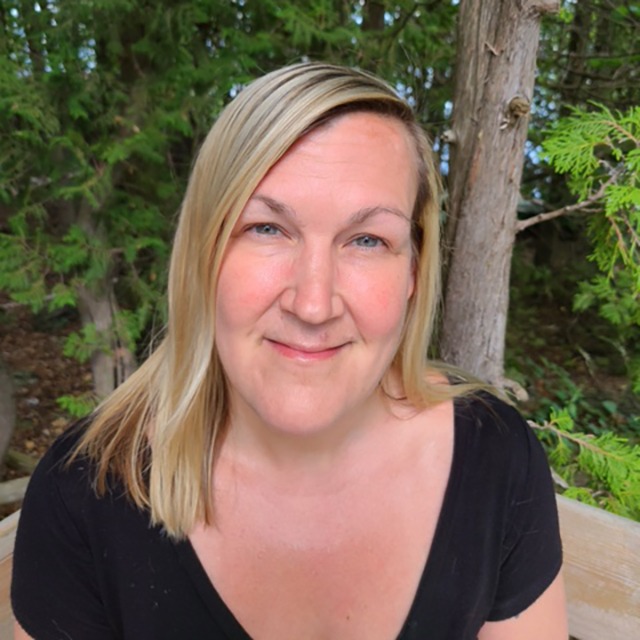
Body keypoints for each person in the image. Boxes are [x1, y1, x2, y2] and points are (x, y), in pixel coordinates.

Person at [11, 62, 567, 640]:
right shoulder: (88, 490)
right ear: (205, 252)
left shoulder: (494, 458)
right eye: (267, 229)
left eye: (368, 240)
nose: (313, 303)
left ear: (413, 273)